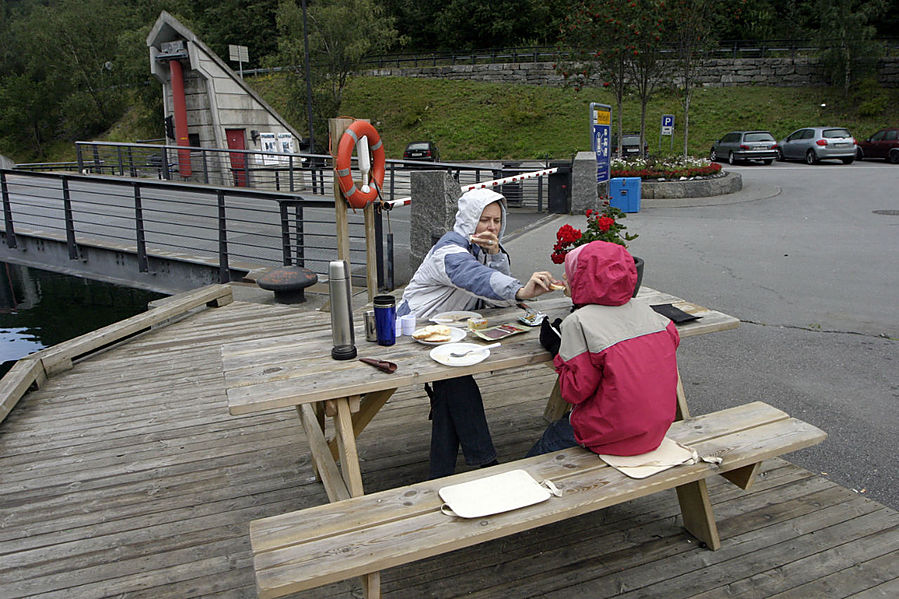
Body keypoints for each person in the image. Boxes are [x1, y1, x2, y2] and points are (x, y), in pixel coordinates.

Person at [397, 187, 558, 478]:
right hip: (413, 331)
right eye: (484, 219)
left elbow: (501, 297)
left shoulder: (483, 249)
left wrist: (496, 253)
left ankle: (443, 472)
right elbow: (477, 278)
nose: (492, 227)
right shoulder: (449, 251)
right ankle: (484, 462)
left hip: (450, 333)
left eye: (497, 220)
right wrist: (521, 290)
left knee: (450, 384)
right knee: (455, 379)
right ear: (469, 218)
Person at [526, 240, 680, 458]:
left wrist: (558, 351)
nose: (564, 277)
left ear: (584, 280)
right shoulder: (651, 314)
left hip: (612, 436)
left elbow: (575, 391)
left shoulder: (578, 322)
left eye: (570, 271)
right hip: (657, 428)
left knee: (552, 438)